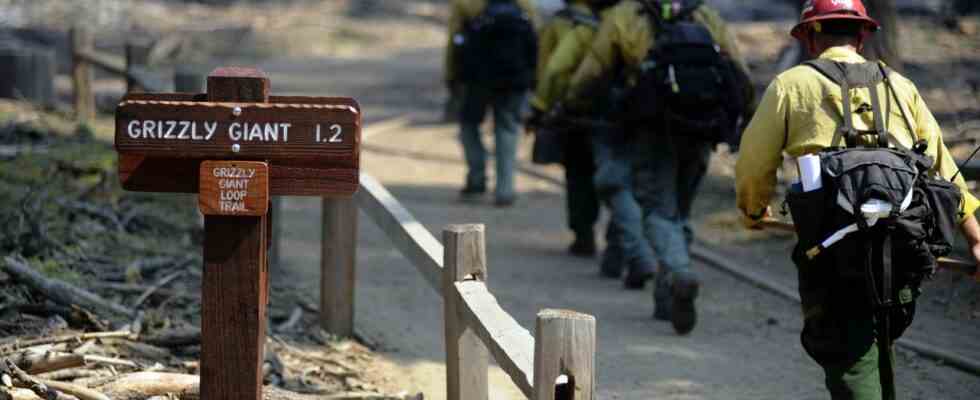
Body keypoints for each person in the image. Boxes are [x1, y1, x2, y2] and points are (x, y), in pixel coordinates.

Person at [736, 0, 980, 398]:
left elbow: (752, 163)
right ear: (863, 36)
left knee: (851, 357)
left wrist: (752, 210)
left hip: (832, 253)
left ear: (811, 37)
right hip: (904, 247)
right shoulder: (901, 87)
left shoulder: (791, 85)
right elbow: (944, 170)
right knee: (877, 341)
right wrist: (975, 238)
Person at [568, 0, 754, 334]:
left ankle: (680, 272)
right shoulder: (705, 15)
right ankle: (666, 299)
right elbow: (739, 70)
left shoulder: (625, 15)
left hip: (652, 131)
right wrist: (744, 118)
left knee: (657, 211)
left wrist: (574, 102)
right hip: (701, 129)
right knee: (680, 212)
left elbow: (592, 71)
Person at [527, 0, 618, 257]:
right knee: (619, 178)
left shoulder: (562, 23)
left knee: (578, 175)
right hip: (617, 114)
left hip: (575, 113)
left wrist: (542, 106)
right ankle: (619, 241)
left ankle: (583, 235)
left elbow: (551, 69)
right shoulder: (624, 19)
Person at [446, 0, 538, 206]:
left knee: (469, 125)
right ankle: (505, 189)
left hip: (477, 78)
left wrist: (451, 75)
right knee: (508, 129)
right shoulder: (525, 3)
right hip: (514, 78)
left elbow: (454, 39)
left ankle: (477, 178)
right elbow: (535, 38)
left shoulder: (466, 4)